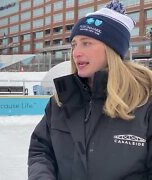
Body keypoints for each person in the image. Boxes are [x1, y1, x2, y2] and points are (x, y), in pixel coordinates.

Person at [28, 0, 152, 179]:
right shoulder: (60, 102)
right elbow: (41, 150)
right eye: (74, 44)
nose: (76, 52)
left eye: (86, 43)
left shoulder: (145, 101)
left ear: (111, 49)